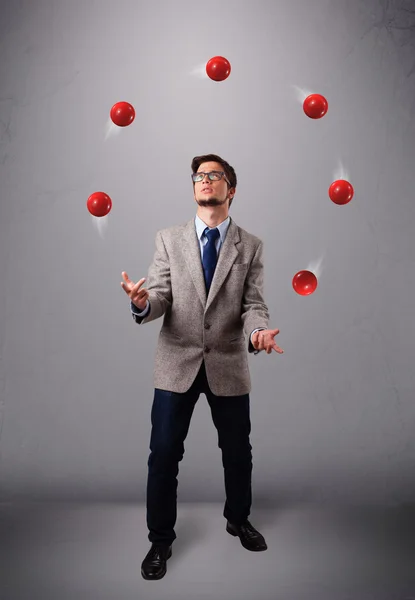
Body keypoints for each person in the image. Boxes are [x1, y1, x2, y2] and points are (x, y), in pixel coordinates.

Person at [121, 153, 284, 581]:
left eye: (215, 175)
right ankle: (160, 539)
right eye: (199, 175)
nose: (206, 180)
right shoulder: (168, 239)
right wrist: (142, 304)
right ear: (194, 187)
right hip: (177, 362)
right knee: (163, 455)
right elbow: (160, 296)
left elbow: (254, 306)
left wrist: (257, 334)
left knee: (237, 453)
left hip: (228, 361)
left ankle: (238, 518)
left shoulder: (250, 246)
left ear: (231, 189)